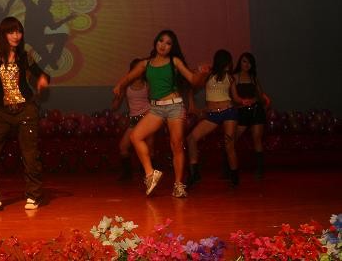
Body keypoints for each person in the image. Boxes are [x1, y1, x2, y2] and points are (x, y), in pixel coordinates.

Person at [113, 30, 208, 198]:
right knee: (135, 136)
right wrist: (119, 85)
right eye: (161, 41)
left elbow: (194, 81)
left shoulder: (174, 61)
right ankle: (150, 174)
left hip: (174, 106)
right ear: (155, 42)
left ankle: (178, 185)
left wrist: (202, 73)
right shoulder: (145, 64)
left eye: (168, 43)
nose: (163, 45)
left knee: (176, 145)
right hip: (156, 109)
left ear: (172, 47)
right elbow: (128, 77)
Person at [0, 16, 49, 213]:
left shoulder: (24, 56)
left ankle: (34, 195)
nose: (16, 36)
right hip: (3, 112)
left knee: (30, 155)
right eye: (12, 32)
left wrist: (42, 80)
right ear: (3, 34)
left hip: (26, 110)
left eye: (19, 32)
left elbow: (42, 73)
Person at [186, 49, 239, 187]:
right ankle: (194, 173)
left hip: (229, 112)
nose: (229, 65)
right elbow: (192, 85)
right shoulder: (208, 75)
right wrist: (192, 106)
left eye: (230, 63)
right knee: (191, 138)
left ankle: (234, 175)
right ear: (222, 62)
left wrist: (245, 101)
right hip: (212, 114)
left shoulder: (230, 77)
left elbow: (236, 97)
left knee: (229, 143)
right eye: (227, 62)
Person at [111, 58, 152, 181]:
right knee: (123, 147)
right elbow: (114, 107)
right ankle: (127, 174)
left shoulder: (147, 84)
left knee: (149, 148)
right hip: (134, 119)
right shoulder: (126, 85)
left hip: (147, 116)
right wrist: (117, 96)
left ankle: (148, 175)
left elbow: (154, 100)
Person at [231, 52, 270, 179]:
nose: (247, 64)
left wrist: (260, 100)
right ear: (240, 62)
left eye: (249, 62)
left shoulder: (254, 78)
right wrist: (242, 101)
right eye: (244, 61)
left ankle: (259, 169)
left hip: (256, 110)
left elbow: (261, 96)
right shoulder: (234, 77)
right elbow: (234, 97)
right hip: (242, 111)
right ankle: (229, 168)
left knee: (257, 139)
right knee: (232, 139)